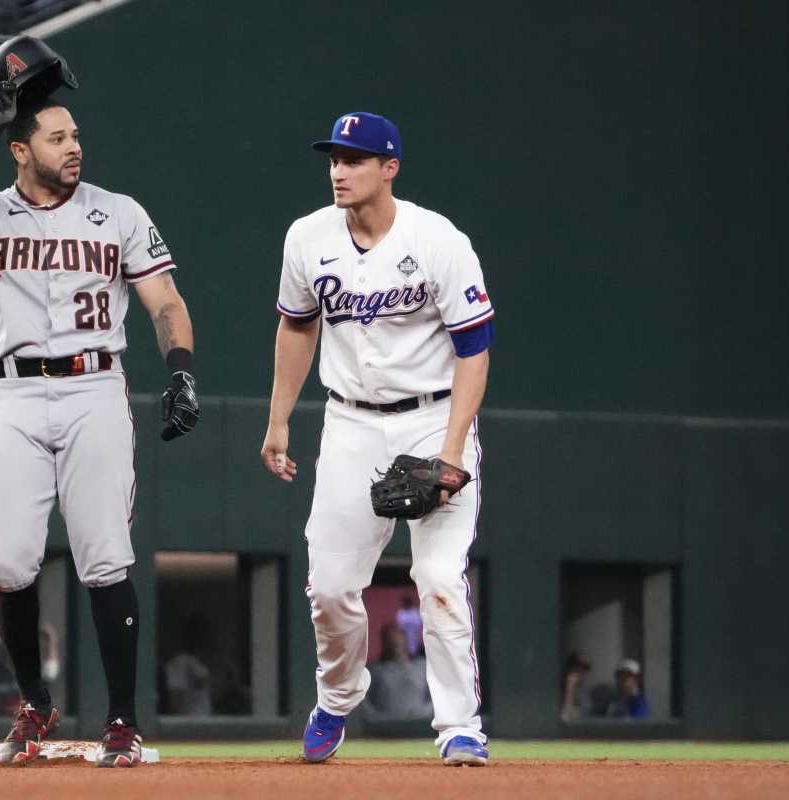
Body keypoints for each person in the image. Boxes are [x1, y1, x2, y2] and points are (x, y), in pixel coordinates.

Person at [0, 41, 200, 767]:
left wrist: (180, 371)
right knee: (9, 565)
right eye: (57, 137)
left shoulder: (117, 213)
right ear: (22, 150)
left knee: (106, 559)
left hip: (93, 388)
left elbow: (164, 299)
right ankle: (36, 705)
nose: (74, 146)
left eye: (76, 134)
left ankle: (121, 721)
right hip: (15, 394)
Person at [262, 112, 496, 767]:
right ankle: (338, 696)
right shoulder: (308, 238)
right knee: (332, 587)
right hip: (351, 422)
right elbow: (297, 328)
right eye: (334, 159)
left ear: (389, 167)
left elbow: (475, 350)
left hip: (433, 415)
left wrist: (451, 450)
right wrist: (279, 417)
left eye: (355, 159)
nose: (339, 171)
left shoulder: (438, 239)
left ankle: (459, 726)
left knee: (439, 575)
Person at [364, 623, 433, 719]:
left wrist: (422, 714)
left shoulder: (423, 666)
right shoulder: (374, 670)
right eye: (390, 642)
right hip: (384, 727)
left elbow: (436, 696)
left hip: (419, 725)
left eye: (397, 642)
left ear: (405, 640)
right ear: (384, 643)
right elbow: (364, 701)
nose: (395, 644)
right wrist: (377, 717)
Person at [161, 612, 213, 716]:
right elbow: (174, 700)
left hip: (205, 723)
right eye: (201, 633)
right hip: (187, 725)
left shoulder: (202, 665)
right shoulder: (179, 663)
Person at [560, 651, 592, 722]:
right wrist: (570, 688)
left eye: (585, 667)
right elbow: (564, 718)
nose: (581, 671)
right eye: (577, 666)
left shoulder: (585, 692)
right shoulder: (558, 690)